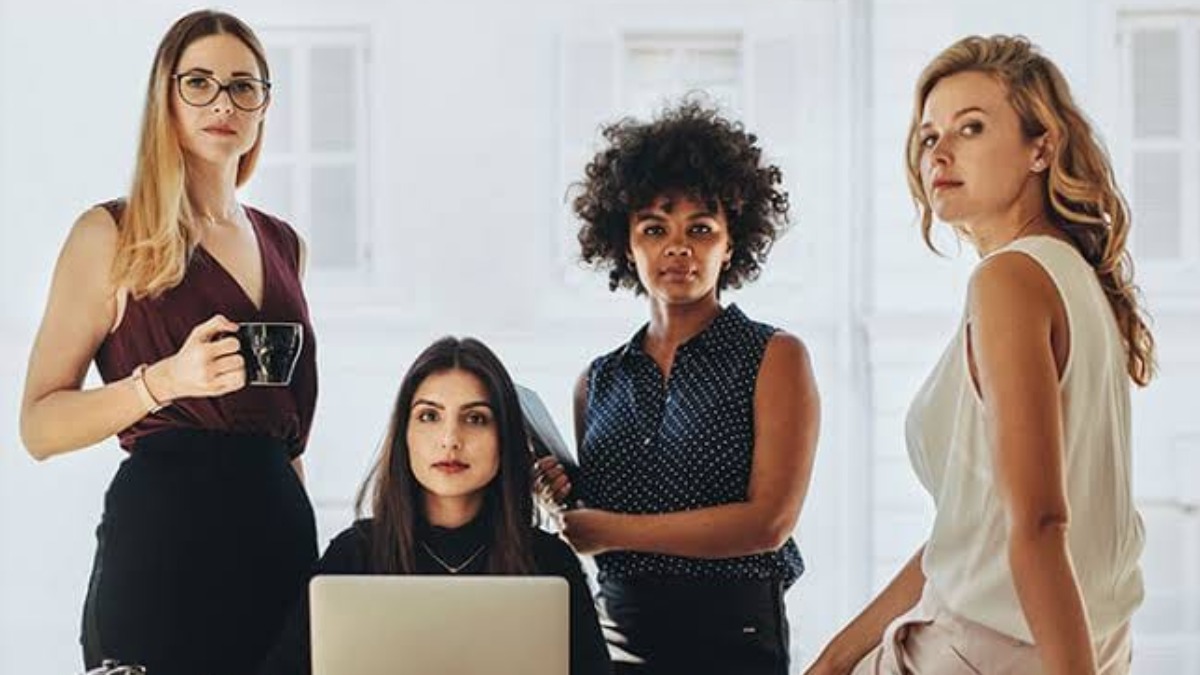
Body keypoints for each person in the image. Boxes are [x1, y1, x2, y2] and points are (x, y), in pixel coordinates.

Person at [806, 35, 1153, 675]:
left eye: (971, 128)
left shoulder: (1009, 282)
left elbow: (1042, 522)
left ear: (1040, 147)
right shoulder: (1074, 279)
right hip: (1080, 642)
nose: (940, 151)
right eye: (930, 135)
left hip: (984, 651)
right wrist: (834, 658)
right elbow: (974, 536)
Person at [19, 10, 318, 674]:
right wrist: (163, 382)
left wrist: (310, 550)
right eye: (200, 83)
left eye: (245, 86)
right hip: (164, 548)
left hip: (279, 545)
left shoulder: (285, 245)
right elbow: (38, 425)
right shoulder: (109, 234)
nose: (223, 102)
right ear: (166, 97)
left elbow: (288, 434)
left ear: (264, 104)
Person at [538, 101, 821, 675]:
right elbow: (600, 517)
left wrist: (608, 531)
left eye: (700, 229)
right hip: (615, 636)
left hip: (733, 640)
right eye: (654, 228)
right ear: (625, 245)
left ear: (732, 243)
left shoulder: (774, 357)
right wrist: (566, 499)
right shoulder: (597, 381)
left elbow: (768, 523)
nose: (678, 247)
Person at [260, 336, 611, 675]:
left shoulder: (549, 561)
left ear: (504, 439)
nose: (450, 440)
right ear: (405, 434)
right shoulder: (354, 555)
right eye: (430, 416)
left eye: (475, 419)